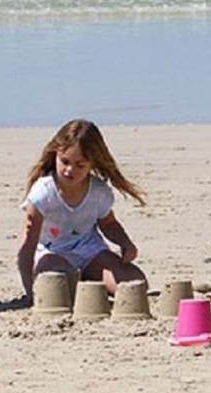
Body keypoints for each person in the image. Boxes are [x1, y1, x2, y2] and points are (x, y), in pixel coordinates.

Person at [17, 119, 147, 299]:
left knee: (134, 284)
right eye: (65, 161)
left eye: (80, 165)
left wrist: (125, 243)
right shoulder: (43, 193)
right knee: (58, 283)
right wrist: (29, 289)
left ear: (92, 164)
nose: (70, 170)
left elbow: (108, 223)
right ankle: (80, 280)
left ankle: (88, 277)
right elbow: (28, 242)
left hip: (89, 251)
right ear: (55, 153)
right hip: (52, 253)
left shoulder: (98, 191)